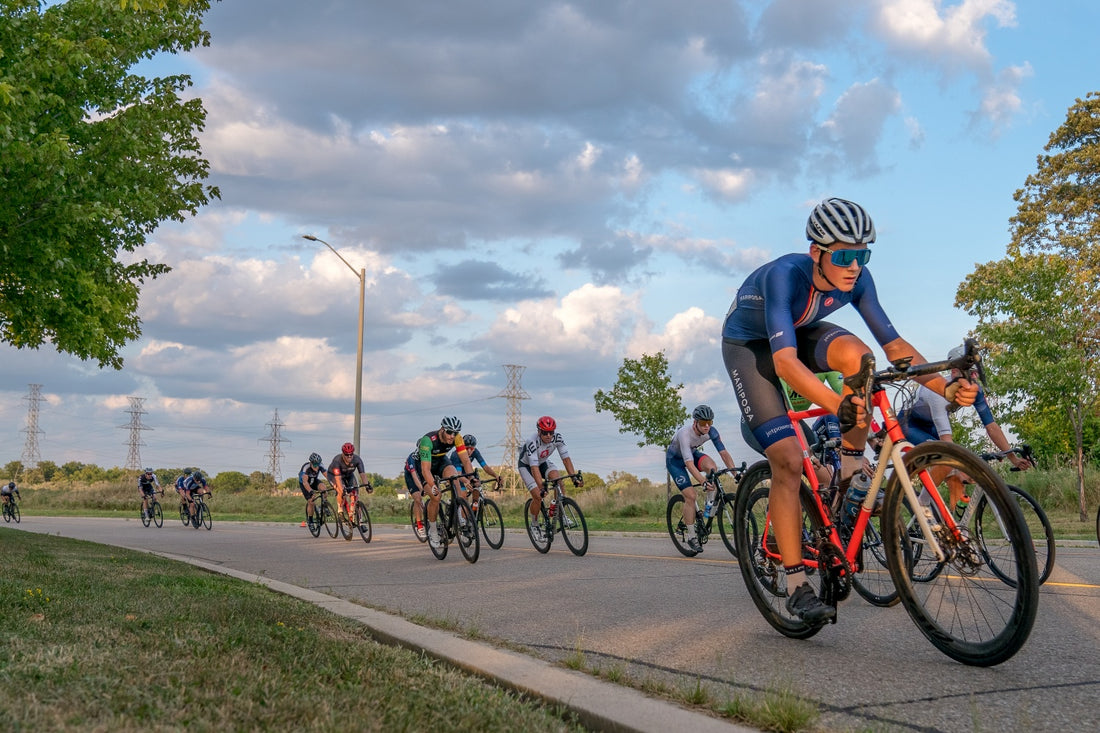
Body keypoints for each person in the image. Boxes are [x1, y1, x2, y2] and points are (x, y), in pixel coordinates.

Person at [721, 197, 977, 624]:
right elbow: (784, 364)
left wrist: (945, 387)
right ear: (816, 253)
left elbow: (894, 348)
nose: (854, 266)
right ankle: (796, 584)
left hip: (798, 332)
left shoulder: (858, 279)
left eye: (862, 255)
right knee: (787, 460)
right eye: (843, 255)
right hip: (752, 349)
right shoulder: (785, 276)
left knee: (863, 363)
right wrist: (839, 404)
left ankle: (847, 480)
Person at [899, 344, 1031, 510]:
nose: (974, 378)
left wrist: (1013, 458)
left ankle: (954, 530)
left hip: (930, 425)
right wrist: (964, 466)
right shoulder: (937, 394)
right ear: (954, 372)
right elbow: (947, 444)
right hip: (908, 424)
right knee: (947, 459)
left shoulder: (975, 390)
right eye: (970, 373)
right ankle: (922, 508)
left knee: (955, 479)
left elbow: (992, 427)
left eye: (976, 373)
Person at [665, 405, 740, 555]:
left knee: (713, 468)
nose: (707, 426)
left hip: (692, 454)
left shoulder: (712, 431)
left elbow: (724, 453)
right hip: (675, 461)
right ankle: (692, 536)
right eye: (703, 423)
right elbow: (689, 464)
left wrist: (735, 474)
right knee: (691, 496)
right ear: (695, 423)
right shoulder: (684, 434)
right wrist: (703, 482)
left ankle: (709, 505)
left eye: (709, 422)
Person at [413, 417, 476, 549]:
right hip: (425, 466)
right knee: (436, 496)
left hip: (442, 461)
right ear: (442, 429)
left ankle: (459, 513)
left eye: (455, 433)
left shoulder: (457, 438)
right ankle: (433, 530)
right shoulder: (428, 441)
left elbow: (466, 461)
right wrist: (433, 485)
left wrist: (471, 478)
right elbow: (425, 470)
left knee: (456, 480)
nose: (452, 436)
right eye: (449, 432)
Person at [518, 416, 583, 539]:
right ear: (539, 431)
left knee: (558, 480)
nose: (548, 435)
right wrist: (541, 487)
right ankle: (534, 524)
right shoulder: (531, 441)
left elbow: (566, 459)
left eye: (551, 432)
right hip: (526, 466)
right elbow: (534, 468)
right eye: (545, 432)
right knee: (538, 496)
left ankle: (560, 514)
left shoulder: (557, 437)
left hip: (543, 462)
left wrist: (573, 478)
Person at [447, 434, 501, 514]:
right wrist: (466, 481)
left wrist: (495, 475)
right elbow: (458, 474)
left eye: (471, 448)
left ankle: (473, 511)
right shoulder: (456, 455)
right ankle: (462, 517)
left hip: (467, 471)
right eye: (466, 448)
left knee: (477, 486)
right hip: (456, 473)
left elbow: (485, 467)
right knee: (464, 496)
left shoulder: (475, 452)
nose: (469, 451)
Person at [327, 443, 371, 518]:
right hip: (334, 476)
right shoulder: (337, 461)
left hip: (349, 475)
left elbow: (363, 474)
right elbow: (338, 479)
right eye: (347, 454)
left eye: (351, 454)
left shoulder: (357, 459)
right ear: (343, 454)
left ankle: (356, 519)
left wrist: (367, 486)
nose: (349, 456)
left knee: (355, 493)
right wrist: (342, 490)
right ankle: (340, 509)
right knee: (341, 491)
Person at [298, 452, 333, 527]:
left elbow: (328, 477)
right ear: (311, 463)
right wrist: (310, 491)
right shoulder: (306, 468)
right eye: (315, 465)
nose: (317, 467)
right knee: (311, 501)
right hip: (305, 483)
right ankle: (310, 520)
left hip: (314, 480)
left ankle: (324, 505)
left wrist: (334, 485)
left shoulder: (320, 465)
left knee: (324, 489)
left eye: (318, 465)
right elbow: (305, 483)